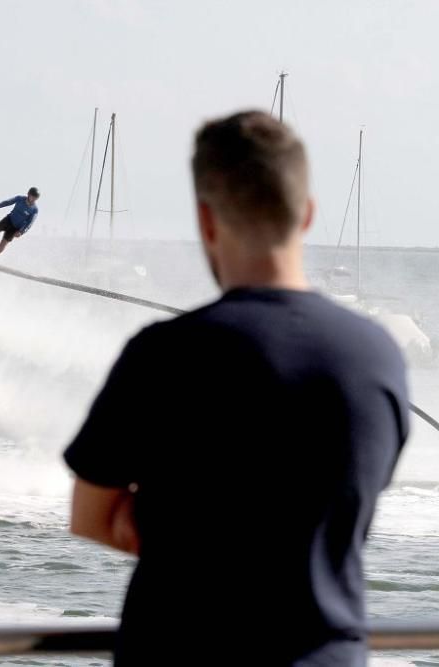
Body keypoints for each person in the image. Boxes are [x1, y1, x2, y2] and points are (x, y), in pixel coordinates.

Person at [64, 111, 408, 666]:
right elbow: (343, 510)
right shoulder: (378, 357)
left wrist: (189, 532)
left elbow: (92, 516)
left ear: (206, 220)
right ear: (309, 215)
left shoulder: (165, 354)